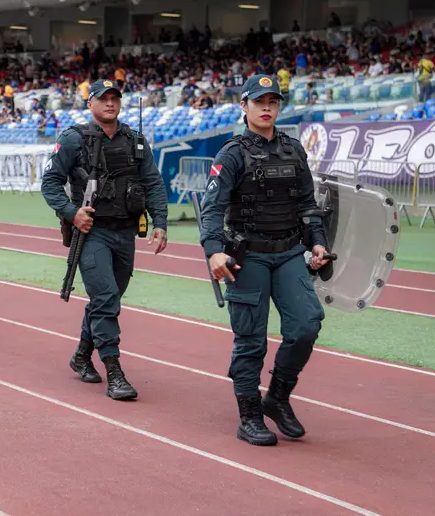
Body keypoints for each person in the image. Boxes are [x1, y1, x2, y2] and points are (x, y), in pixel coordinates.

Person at [198, 74, 330, 447]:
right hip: (247, 256)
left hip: (289, 252)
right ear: (244, 107)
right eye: (259, 102)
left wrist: (317, 243)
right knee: (251, 340)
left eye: (273, 101)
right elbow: (212, 210)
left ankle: (278, 397)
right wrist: (213, 251)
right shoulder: (231, 154)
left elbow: (308, 204)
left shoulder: (293, 150)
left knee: (307, 324)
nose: (267, 107)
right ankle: (250, 413)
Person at [41, 79, 169, 401]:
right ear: (91, 103)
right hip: (91, 232)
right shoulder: (73, 139)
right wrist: (72, 213)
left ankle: (82, 355)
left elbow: (153, 183)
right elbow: (51, 183)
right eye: (103, 98)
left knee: (106, 300)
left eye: (115, 98)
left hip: (126, 232)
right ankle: (114, 371)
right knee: (107, 297)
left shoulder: (136, 141)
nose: (110, 103)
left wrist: (161, 222)